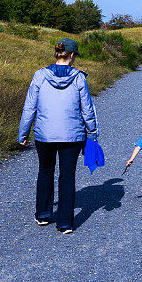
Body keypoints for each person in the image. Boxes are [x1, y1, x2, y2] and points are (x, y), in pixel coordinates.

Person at [18, 38, 98, 234]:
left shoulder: (39, 75)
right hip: (72, 135)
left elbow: (30, 107)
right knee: (67, 176)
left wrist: (23, 133)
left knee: (45, 171)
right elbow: (87, 109)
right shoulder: (79, 77)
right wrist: (93, 133)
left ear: (57, 54)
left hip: (44, 135)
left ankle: (43, 214)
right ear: (71, 56)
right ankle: (65, 224)